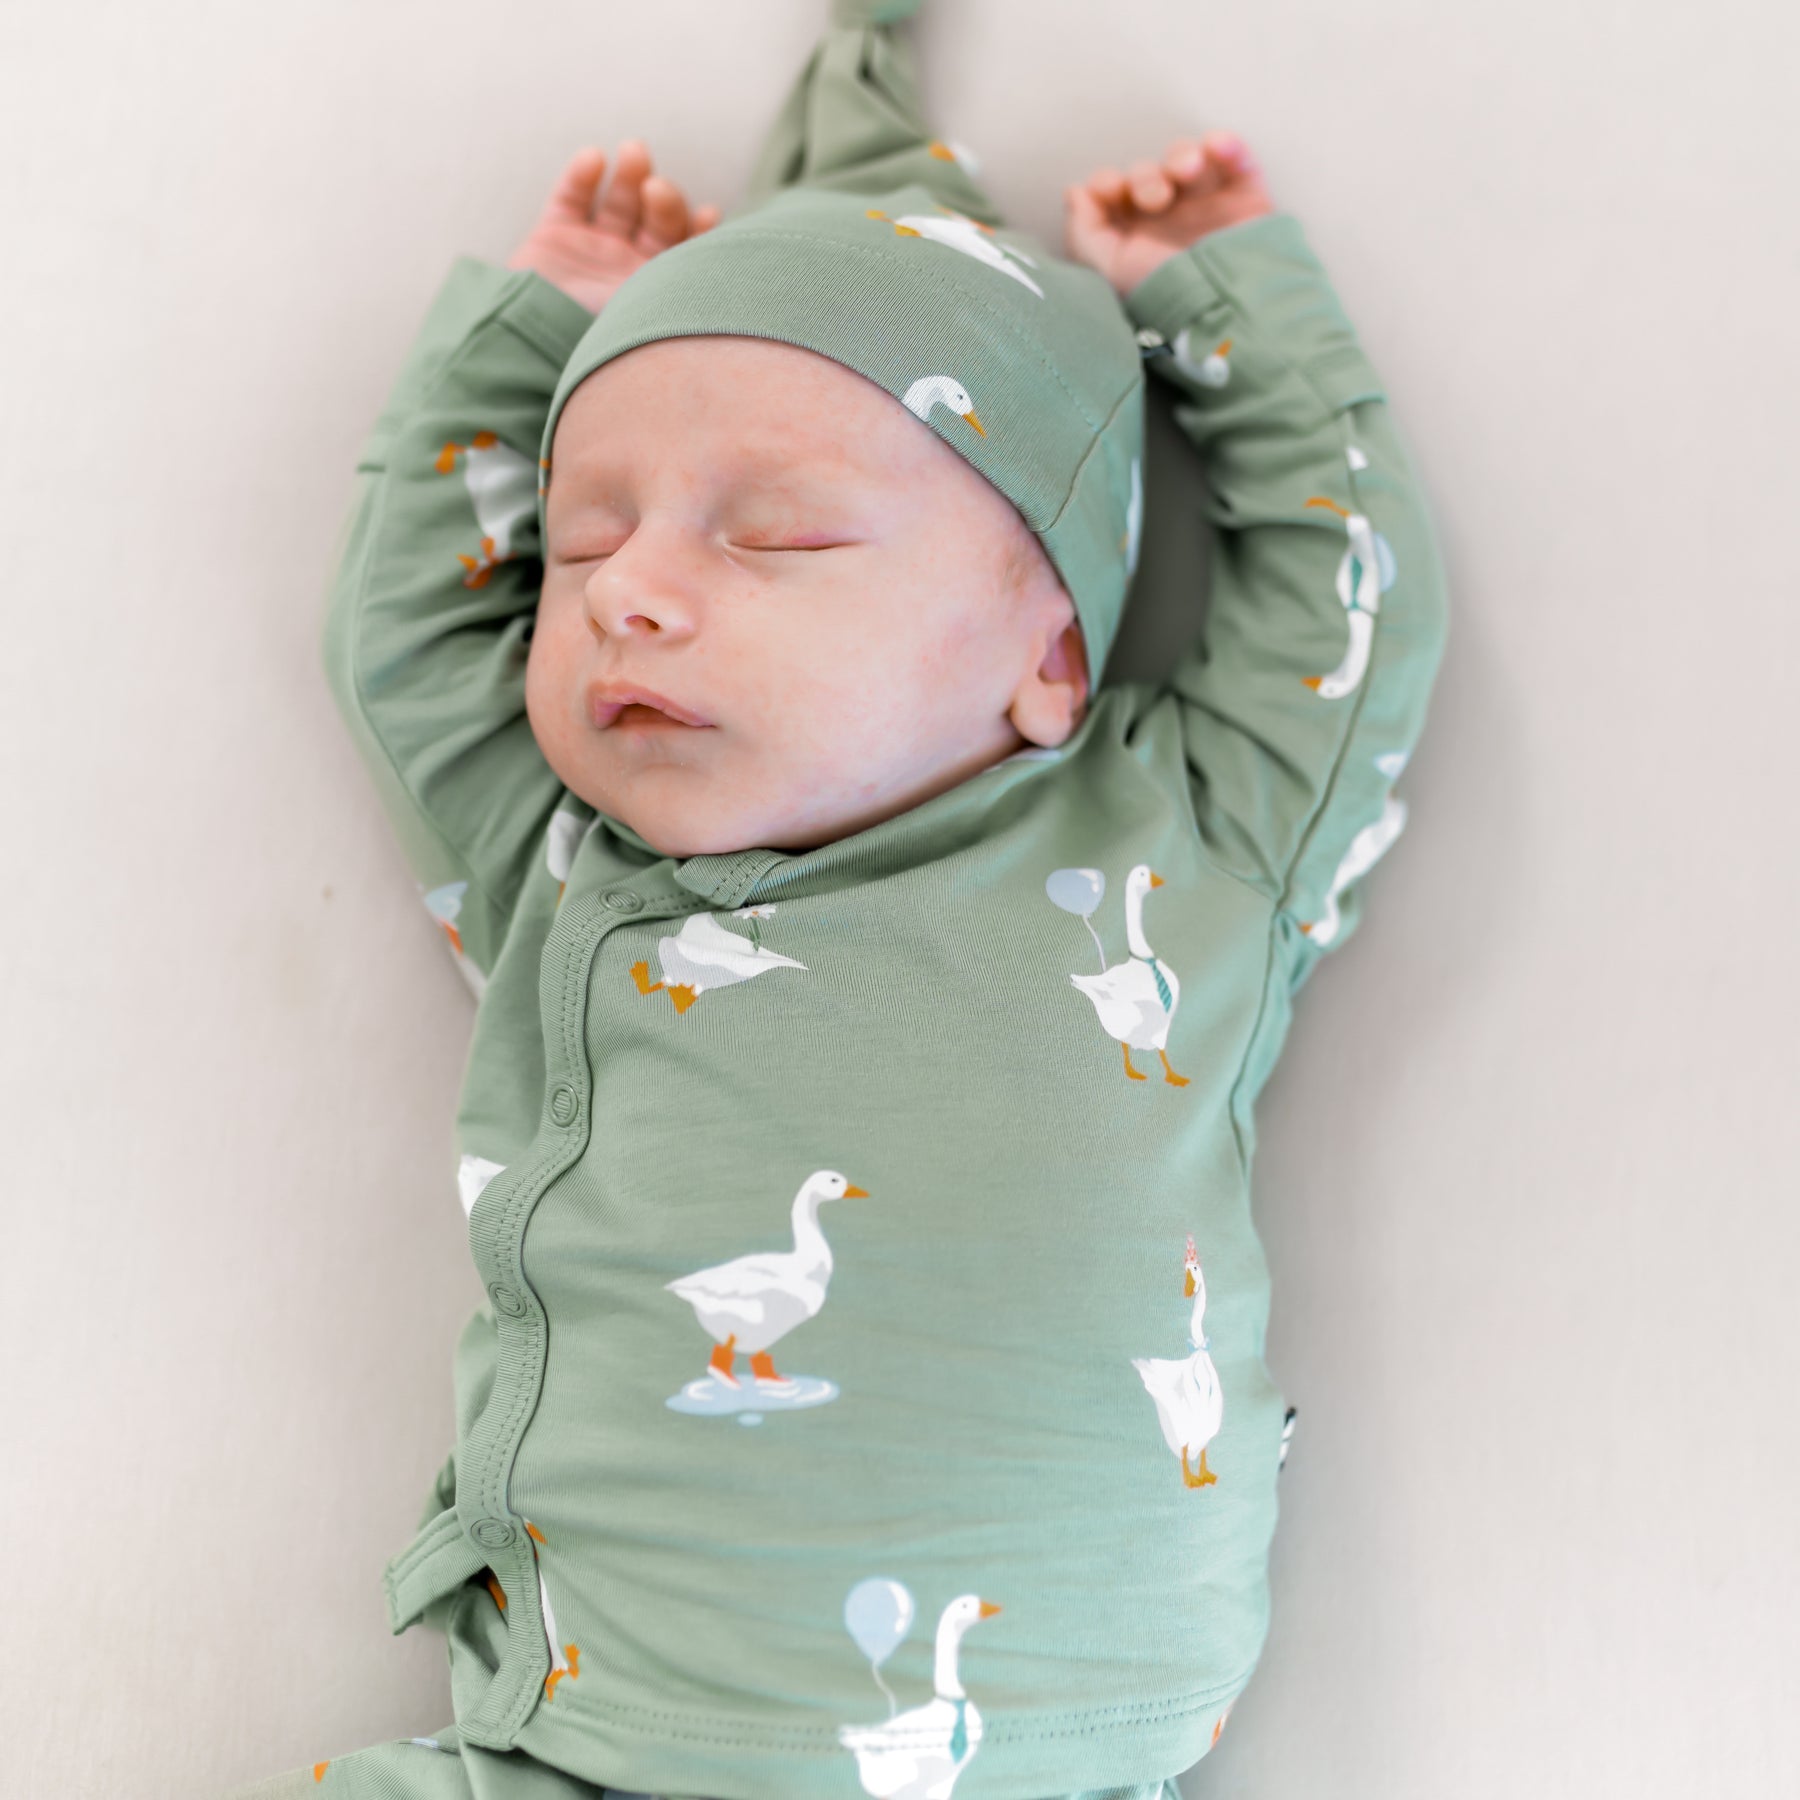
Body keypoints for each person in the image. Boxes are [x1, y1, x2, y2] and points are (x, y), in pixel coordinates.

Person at [233, 0, 1446, 1793]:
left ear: (1051, 653)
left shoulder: (1193, 847)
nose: (630, 589)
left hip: (1066, 1751)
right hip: (600, 1740)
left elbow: (1358, 606)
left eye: (774, 534)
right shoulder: (583, 887)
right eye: (583, 541)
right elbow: (406, 642)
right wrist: (531, 332)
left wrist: (1229, 325)